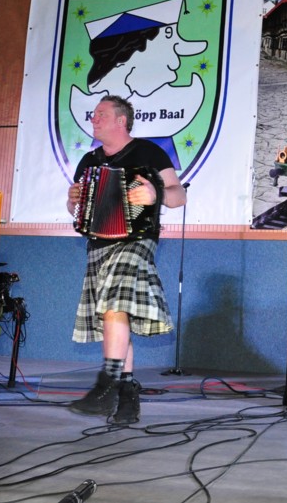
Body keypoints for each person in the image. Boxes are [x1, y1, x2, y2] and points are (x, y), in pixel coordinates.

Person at [65, 94, 186, 424]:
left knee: (115, 304)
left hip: (137, 239)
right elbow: (75, 207)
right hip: (98, 243)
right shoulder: (89, 161)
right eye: (93, 115)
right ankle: (127, 395)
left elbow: (178, 195)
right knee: (114, 314)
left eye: (101, 114)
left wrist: (155, 194)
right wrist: (72, 198)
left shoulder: (149, 152)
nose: (94, 119)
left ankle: (106, 385)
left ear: (121, 120)